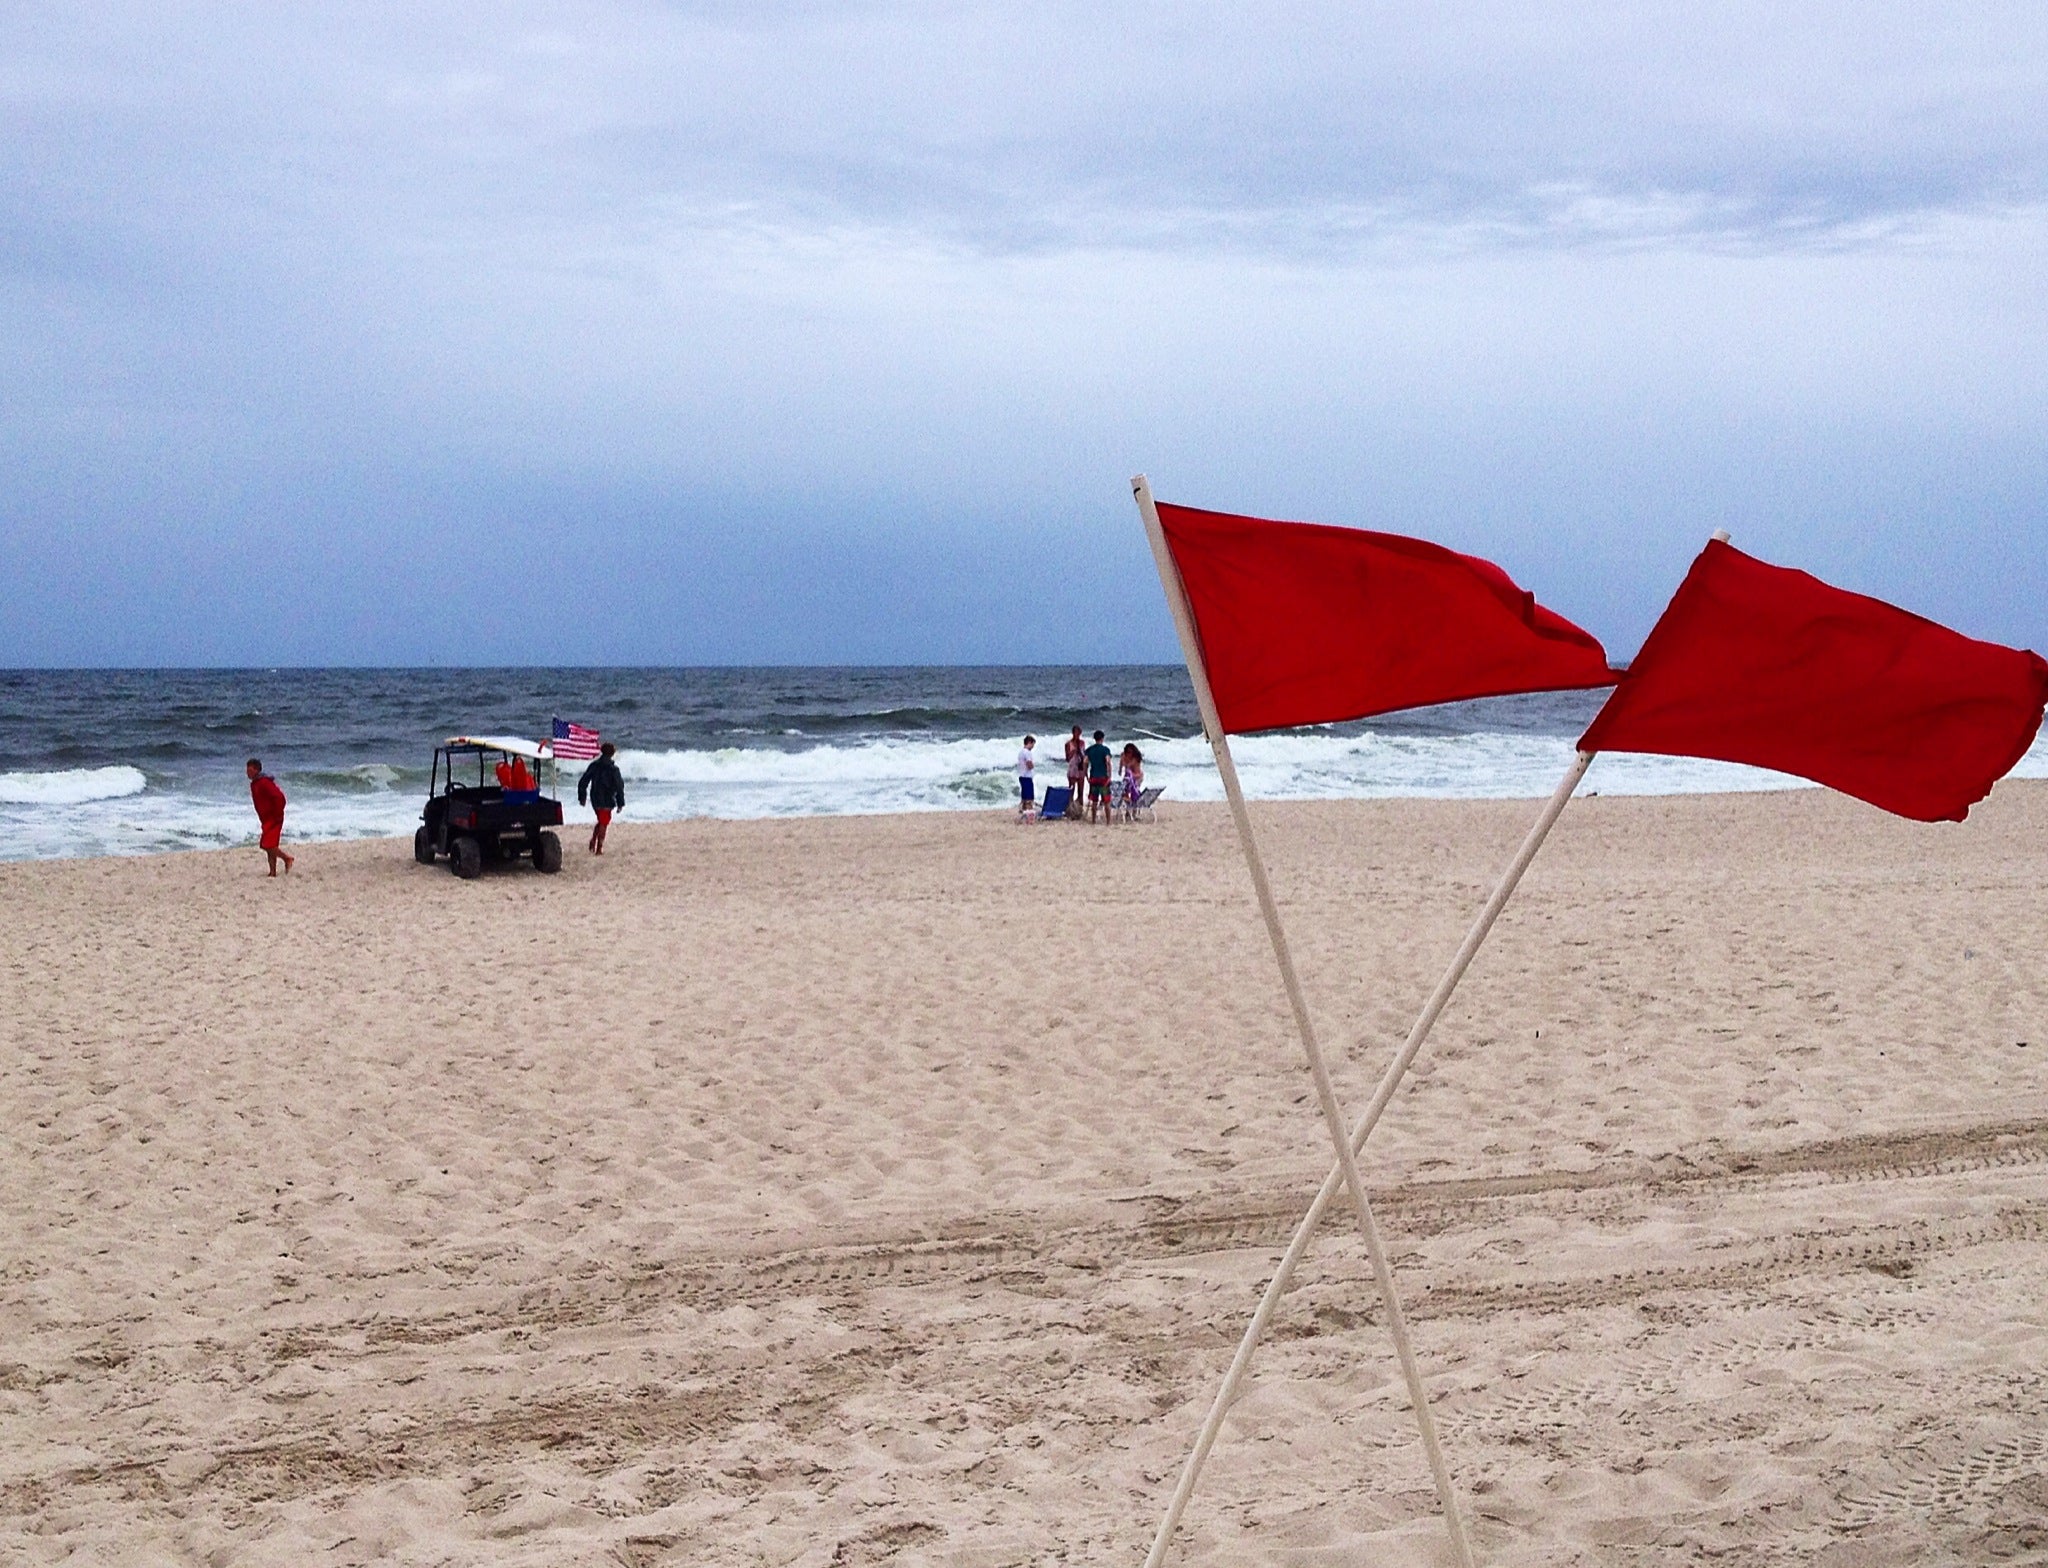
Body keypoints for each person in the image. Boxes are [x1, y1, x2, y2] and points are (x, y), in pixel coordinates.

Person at [245, 758, 294, 876]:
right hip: (266, 819)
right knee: (271, 845)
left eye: (250, 770)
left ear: (256, 770)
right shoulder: (255, 784)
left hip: (274, 818)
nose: (247, 773)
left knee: (267, 845)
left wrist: (276, 814)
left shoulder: (264, 782)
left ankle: (287, 859)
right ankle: (273, 872)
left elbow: (280, 798)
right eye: (247, 770)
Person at [577, 742, 625, 854]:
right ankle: (599, 848)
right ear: (612, 754)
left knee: (601, 821)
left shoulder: (594, 765)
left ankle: (593, 841)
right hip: (607, 798)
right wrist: (620, 802)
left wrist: (582, 796)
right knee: (604, 823)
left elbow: (583, 781)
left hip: (595, 798)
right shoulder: (614, 769)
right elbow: (619, 786)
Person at [1084, 729, 1114, 824]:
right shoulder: (1105, 750)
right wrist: (1109, 776)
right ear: (1102, 739)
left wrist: (1086, 775)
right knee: (1106, 801)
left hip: (1093, 777)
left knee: (1094, 801)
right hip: (1103, 778)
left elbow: (1085, 762)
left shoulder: (1090, 750)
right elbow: (1108, 762)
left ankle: (1093, 820)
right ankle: (1108, 822)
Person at [1063, 725, 1086, 817]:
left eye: (1079, 733)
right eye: (1076, 733)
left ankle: (1080, 810)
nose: (1077, 735)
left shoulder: (1082, 743)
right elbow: (1067, 758)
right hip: (1073, 767)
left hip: (1080, 767)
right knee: (1071, 790)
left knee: (1081, 790)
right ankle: (1070, 810)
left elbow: (1084, 756)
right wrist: (1073, 751)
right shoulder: (1068, 744)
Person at [1118, 743, 1144, 820]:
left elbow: (1132, 769)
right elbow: (1122, 766)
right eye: (1128, 752)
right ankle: (1127, 811)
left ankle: (1134, 813)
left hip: (1137, 776)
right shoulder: (1124, 756)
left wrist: (1124, 761)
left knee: (1134, 794)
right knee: (1125, 793)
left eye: (1131, 752)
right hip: (1129, 777)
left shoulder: (1135, 759)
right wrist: (1120, 769)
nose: (1129, 754)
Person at [1016, 734, 1037, 819]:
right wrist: (1032, 766)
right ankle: (1028, 812)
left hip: (1021, 775)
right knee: (1029, 797)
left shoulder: (1021, 752)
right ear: (1029, 743)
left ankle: (1024, 811)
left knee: (1024, 796)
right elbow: (1029, 764)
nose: (1033, 746)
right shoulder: (1027, 752)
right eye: (1032, 744)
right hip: (1027, 776)